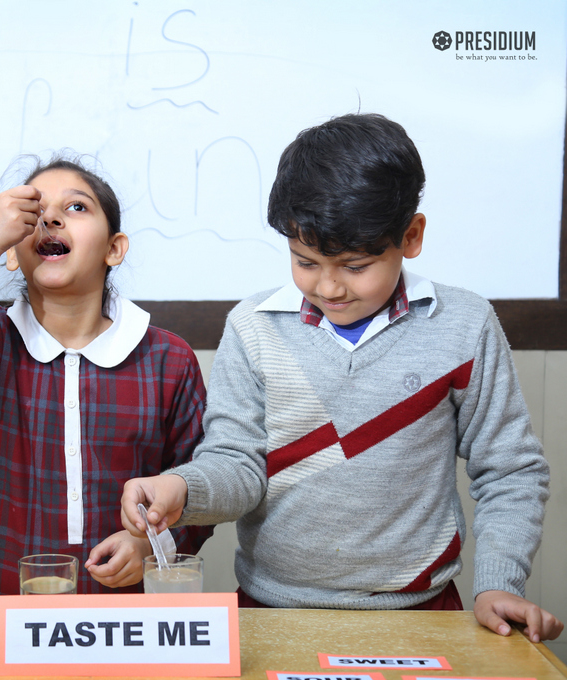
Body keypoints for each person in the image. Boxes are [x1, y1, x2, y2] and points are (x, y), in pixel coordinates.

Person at [121, 114, 563, 642]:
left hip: (422, 615)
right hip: (271, 612)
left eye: (355, 266)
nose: (329, 287)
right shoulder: (253, 326)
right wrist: (181, 486)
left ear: (411, 235)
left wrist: (499, 583)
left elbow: (510, 470)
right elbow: (238, 464)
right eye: (304, 261)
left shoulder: (464, 326)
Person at [0, 156, 212, 605]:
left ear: (114, 249)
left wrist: (152, 546)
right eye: (35, 212)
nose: (52, 217)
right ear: (14, 254)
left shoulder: (167, 359)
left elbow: (202, 486)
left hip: (121, 614)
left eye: (76, 207)